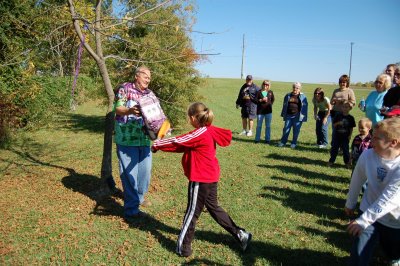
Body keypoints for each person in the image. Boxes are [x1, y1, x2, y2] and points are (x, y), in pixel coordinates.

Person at [152, 102, 252, 257]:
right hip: (210, 177)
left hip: (201, 179)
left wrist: (158, 143)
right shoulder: (207, 131)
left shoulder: (200, 133)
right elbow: (182, 146)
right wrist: (160, 146)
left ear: (193, 117)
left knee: (192, 213)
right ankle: (241, 234)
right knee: (214, 208)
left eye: (188, 117)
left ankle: (183, 248)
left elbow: (179, 140)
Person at [345, 117, 400, 266]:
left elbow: (389, 199)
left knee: (392, 252)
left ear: (393, 142)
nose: (371, 140)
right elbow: (357, 180)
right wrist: (351, 203)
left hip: (394, 220)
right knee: (359, 253)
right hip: (368, 209)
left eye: (376, 138)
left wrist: (363, 220)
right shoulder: (368, 155)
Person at [114, 66, 154, 220]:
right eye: (145, 76)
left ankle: (140, 197)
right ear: (137, 75)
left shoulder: (150, 94)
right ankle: (131, 210)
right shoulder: (125, 88)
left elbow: (156, 112)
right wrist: (130, 111)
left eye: (149, 77)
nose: (148, 79)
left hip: (144, 138)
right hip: (126, 138)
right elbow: (118, 109)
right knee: (129, 175)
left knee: (145, 172)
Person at [277, 82, 308, 149]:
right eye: (294, 87)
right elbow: (284, 105)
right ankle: (283, 142)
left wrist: (303, 117)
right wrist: (283, 114)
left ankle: (294, 143)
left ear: (300, 89)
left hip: (298, 116)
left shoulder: (303, 96)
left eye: (297, 88)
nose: (295, 89)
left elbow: (305, 107)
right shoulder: (288, 95)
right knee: (286, 129)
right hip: (288, 115)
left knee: (296, 130)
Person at [328, 101, 356, 168]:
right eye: (343, 107)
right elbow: (334, 125)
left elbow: (351, 128)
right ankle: (331, 161)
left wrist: (350, 135)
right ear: (341, 108)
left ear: (350, 108)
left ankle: (347, 162)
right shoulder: (338, 115)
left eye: (347, 107)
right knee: (334, 149)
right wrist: (338, 123)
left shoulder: (351, 118)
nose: (345, 108)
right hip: (336, 136)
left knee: (345, 150)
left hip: (345, 137)